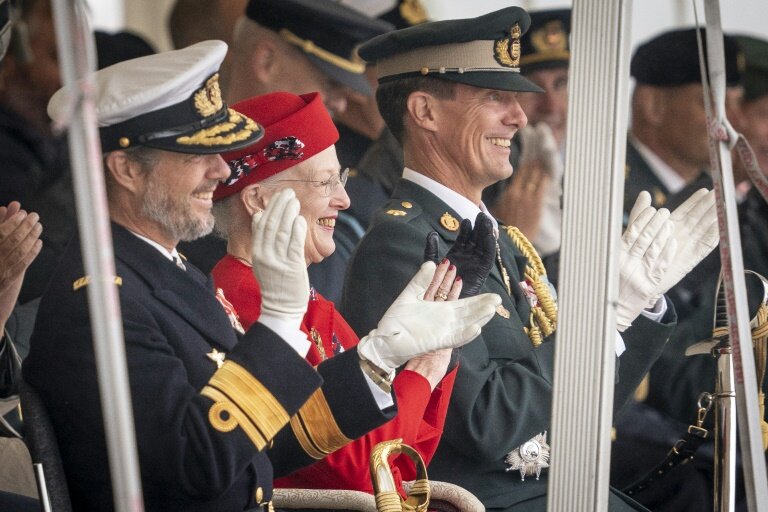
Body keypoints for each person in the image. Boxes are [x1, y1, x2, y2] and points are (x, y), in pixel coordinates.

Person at [22, 41, 500, 511]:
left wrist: (376, 359)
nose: (220, 171)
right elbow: (198, 466)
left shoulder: (170, 273)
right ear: (125, 168)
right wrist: (278, 324)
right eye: (196, 155)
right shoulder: (102, 304)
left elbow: (265, 443)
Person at [341, 6, 720, 511]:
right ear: (425, 112)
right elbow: (487, 423)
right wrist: (600, 321)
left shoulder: (498, 239)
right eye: (495, 97)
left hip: (551, 489)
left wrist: (634, 309)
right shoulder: (404, 242)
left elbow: (585, 413)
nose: (519, 117)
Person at [211, 90, 497, 494]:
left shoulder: (309, 302)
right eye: (326, 182)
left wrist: (435, 348)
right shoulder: (241, 301)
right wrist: (422, 369)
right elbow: (365, 473)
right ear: (259, 199)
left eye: (340, 179)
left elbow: (404, 458)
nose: (343, 199)